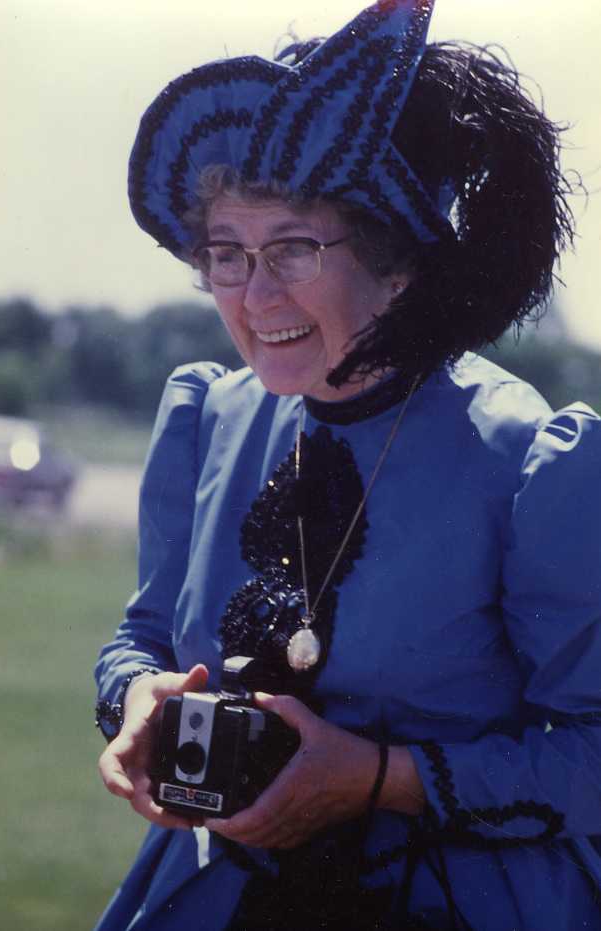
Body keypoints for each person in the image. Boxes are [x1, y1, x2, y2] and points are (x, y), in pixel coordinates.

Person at [93, 1, 601, 928]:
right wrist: (138, 699)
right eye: (227, 255)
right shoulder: (208, 420)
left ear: (398, 261)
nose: (254, 295)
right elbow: (146, 638)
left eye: (293, 246)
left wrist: (379, 777)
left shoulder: (531, 463)